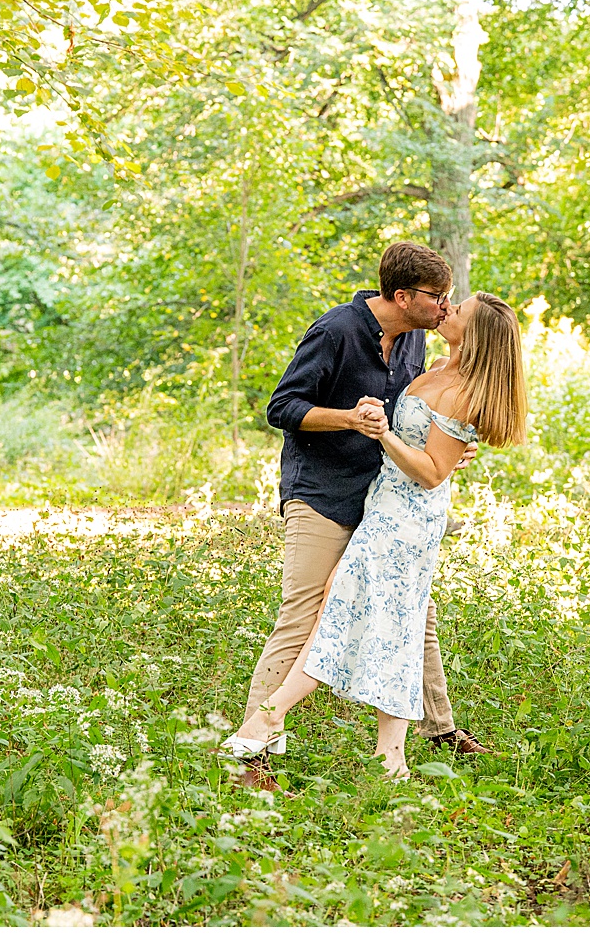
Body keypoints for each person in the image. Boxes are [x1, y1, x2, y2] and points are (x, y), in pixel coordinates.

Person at [226, 292, 529, 779]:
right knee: (391, 627)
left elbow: (431, 472)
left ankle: (262, 724)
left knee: (346, 613)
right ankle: (392, 760)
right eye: (446, 300)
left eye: (460, 309)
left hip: (403, 521)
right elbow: (430, 446)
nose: (448, 308)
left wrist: (390, 436)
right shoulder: (431, 366)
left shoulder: (459, 388)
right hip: (379, 507)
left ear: (475, 335)